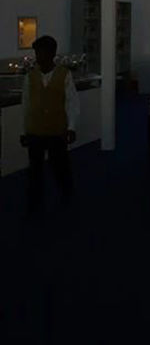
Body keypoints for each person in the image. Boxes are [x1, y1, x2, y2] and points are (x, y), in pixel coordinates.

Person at [20, 35, 80, 215]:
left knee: (60, 165)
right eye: (37, 52)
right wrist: (24, 130)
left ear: (52, 53)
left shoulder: (64, 75)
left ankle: (66, 195)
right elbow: (26, 104)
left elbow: (71, 102)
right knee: (35, 169)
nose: (39, 56)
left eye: (42, 52)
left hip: (56, 129)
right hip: (35, 129)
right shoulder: (30, 77)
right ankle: (34, 203)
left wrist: (71, 127)